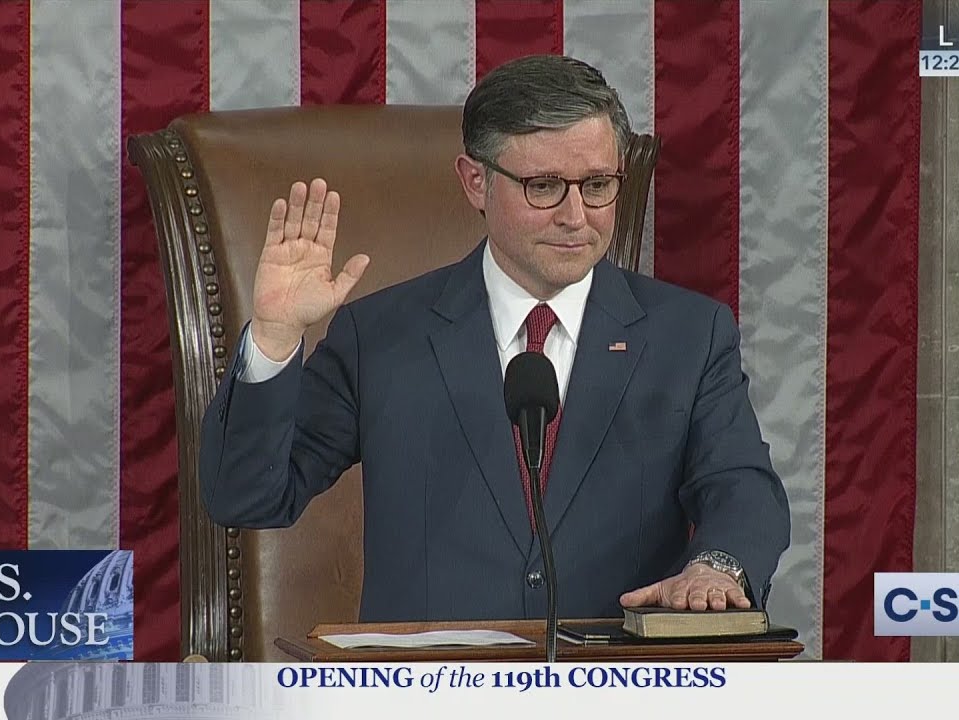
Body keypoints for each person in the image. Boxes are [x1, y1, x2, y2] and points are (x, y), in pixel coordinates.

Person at [199, 55, 789, 623]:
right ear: (476, 181)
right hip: (432, 690)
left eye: (598, 184)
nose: (576, 215)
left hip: (615, 683)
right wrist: (275, 338)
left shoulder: (688, 335)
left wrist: (717, 566)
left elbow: (741, 489)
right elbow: (246, 497)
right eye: (544, 186)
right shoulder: (378, 335)